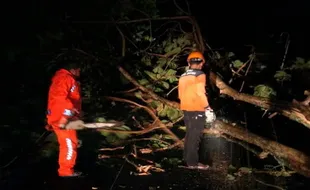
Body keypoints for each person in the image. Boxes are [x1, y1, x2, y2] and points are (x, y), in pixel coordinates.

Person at [178, 51, 216, 170]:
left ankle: (186, 160)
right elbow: (200, 92)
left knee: (189, 135)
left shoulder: (183, 76)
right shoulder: (200, 74)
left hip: (186, 108)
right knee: (195, 137)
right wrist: (207, 107)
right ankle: (193, 163)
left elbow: (180, 95)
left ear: (189, 63)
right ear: (201, 64)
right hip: (197, 109)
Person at [45, 62, 83, 177]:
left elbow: (54, 99)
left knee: (67, 144)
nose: (80, 72)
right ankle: (66, 172)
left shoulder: (61, 78)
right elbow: (60, 98)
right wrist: (66, 115)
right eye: (79, 70)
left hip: (60, 116)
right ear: (73, 69)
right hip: (63, 118)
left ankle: (65, 170)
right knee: (69, 144)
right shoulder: (65, 79)